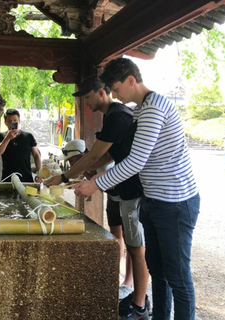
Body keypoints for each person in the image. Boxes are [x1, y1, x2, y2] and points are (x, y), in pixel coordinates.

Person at [74, 57, 200, 320]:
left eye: (116, 88)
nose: (115, 94)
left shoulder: (154, 107)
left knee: (177, 275)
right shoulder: (141, 109)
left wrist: (96, 183)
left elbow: (135, 161)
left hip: (175, 202)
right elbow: (130, 157)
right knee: (157, 268)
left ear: (131, 80)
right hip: (153, 200)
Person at [44, 75, 149, 320]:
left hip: (134, 190)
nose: (86, 104)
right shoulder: (112, 116)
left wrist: (65, 176)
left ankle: (140, 306)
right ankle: (137, 300)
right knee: (132, 245)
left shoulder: (118, 115)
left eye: (88, 98)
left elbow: (93, 157)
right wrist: (74, 175)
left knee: (137, 248)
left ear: (102, 92)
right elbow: (107, 157)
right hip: (124, 190)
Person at [58, 139, 134, 300]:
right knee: (116, 237)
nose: (71, 165)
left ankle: (128, 283)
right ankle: (115, 274)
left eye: (72, 160)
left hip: (127, 198)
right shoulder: (90, 166)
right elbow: (92, 177)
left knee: (132, 243)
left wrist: (89, 183)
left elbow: (106, 181)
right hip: (114, 200)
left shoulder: (105, 162)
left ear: (81, 156)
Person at [0, 109, 42, 182]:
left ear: (19, 120)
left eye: (15, 120)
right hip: (8, 179)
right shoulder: (1, 137)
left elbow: (36, 155)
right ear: (5, 122)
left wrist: (40, 172)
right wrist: (7, 138)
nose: (13, 123)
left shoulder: (28, 136)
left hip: (26, 178)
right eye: (10, 121)